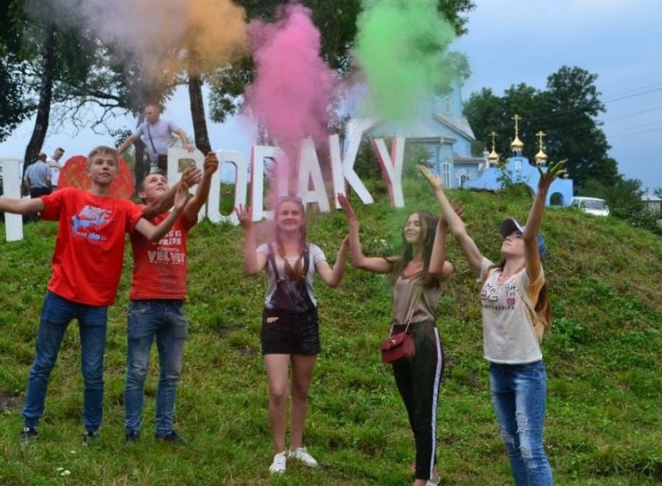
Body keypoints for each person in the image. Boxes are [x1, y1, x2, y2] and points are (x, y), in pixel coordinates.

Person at [0, 146, 200, 444]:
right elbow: (24, 206)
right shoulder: (69, 197)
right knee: (43, 364)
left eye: (110, 164)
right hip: (60, 296)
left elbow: (154, 233)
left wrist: (179, 206)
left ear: (117, 173)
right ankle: (30, 425)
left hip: (96, 304)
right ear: (88, 171)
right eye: (99, 163)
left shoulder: (124, 209)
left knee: (93, 372)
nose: (105, 167)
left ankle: (91, 430)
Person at [420, 162, 564, 486]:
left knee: (531, 449)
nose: (509, 238)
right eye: (508, 234)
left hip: (526, 371)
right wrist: (438, 190)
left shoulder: (531, 279)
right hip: (498, 369)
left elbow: (530, 236)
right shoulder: (490, 273)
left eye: (515, 235)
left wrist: (540, 193)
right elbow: (460, 232)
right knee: (513, 447)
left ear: (530, 249)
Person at [338, 193, 452, 486]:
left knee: (426, 410)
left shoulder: (440, 266)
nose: (409, 226)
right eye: (407, 223)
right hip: (400, 335)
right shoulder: (400, 263)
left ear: (428, 230)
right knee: (413, 408)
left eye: (416, 223)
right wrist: (353, 222)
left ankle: (422, 479)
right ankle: (432, 473)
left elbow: (437, 268)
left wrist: (442, 230)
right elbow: (361, 261)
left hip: (425, 336)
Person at [236, 197, 349, 474]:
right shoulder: (267, 248)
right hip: (276, 322)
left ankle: (297, 447)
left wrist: (345, 249)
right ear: (277, 218)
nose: (288, 216)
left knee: (301, 389)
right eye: (284, 212)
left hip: (306, 323)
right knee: (277, 390)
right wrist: (249, 230)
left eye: (294, 212)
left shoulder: (314, 251)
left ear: (302, 218)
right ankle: (279, 452)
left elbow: (332, 281)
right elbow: (251, 268)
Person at [123, 152, 219, 445]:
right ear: (142, 193)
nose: (160, 182)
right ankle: (132, 431)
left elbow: (197, 202)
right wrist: (180, 187)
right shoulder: (137, 212)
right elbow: (157, 210)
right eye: (154, 180)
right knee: (137, 372)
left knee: (171, 374)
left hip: (175, 305)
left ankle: (164, 431)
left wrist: (209, 175)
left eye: (163, 179)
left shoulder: (180, 214)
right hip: (144, 305)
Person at [117, 103, 195, 173]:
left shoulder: (167, 123)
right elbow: (130, 139)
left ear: (157, 113)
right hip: (155, 164)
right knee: (153, 184)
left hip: (170, 161)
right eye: (146, 114)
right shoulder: (144, 126)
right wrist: (118, 152)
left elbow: (181, 132)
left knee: (172, 184)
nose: (147, 116)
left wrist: (185, 144)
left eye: (150, 113)